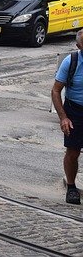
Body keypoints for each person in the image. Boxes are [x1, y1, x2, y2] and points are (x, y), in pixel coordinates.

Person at [51, 29, 83, 205]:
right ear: (79, 46)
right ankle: (71, 187)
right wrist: (63, 117)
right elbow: (56, 90)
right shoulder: (71, 62)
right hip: (75, 110)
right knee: (73, 151)